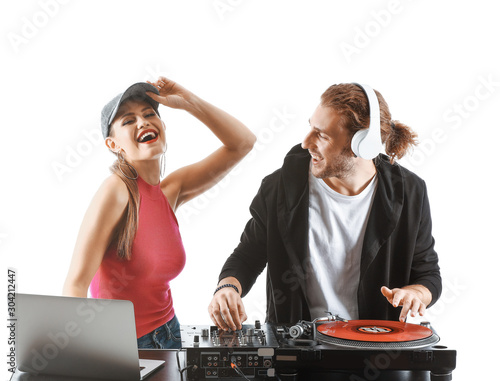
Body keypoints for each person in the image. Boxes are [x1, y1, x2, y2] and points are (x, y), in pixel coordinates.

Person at [208, 83, 441, 332]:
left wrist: (415, 293)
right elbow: (247, 256)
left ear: (363, 145)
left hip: (377, 351)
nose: (306, 142)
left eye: (322, 135)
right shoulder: (280, 187)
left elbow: (428, 275)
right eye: (310, 127)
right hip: (298, 351)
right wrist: (227, 288)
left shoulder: (411, 192)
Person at [63, 77, 256, 349]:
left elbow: (243, 143)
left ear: (162, 127)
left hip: (170, 334)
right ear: (112, 144)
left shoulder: (170, 191)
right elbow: (75, 284)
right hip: (124, 345)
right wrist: (81, 358)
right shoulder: (116, 190)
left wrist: (189, 102)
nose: (142, 122)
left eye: (149, 114)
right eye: (128, 121)